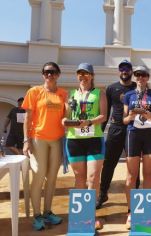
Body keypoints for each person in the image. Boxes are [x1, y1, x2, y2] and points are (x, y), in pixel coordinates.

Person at [22, 62, 67, 231]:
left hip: (56, 140)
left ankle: (48, 211)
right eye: (47, 72)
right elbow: (27, 118)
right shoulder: (34, 92)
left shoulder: (63, 94)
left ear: (58, 74)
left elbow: (67, 115)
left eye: (53, 72)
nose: (50, 75)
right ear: (43, 75)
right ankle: (37, 214)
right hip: (38, 138)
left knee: (52, 178)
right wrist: (26, 140)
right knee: (39, 175)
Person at [63, 63, 107, 230]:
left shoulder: (99, 93)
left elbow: (103, 116)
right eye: (79, 73)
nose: (82, 76)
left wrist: (89, 121)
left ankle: (91, 216)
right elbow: (66, 116)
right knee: (79, 178)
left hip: (94, 138)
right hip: (74, 140)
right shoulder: (71, 94)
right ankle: (81, 218)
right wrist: (65, 121)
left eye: (86, 73)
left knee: (93, 178)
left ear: (92, 76)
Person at [96, 60, 139, 209]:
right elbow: (106, 112)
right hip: (116, 129)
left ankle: (136, 194)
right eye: (122, 68)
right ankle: (102, 193)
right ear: (119, 71)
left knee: (134, 164)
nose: (124, 71)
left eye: (127, 68)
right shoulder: (111, 88)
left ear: (132, 71)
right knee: (109, 163)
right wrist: (99, 132)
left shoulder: (136, 87)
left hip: (133, 130)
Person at [123, 65, 151, 229]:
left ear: (148, 77)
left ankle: (146, 210)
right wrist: (131, 115)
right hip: (133, 134)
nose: (140, 78)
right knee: (131, 175)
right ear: (134, 76)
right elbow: (124, 120)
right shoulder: (129, 95)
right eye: (137, 75)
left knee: (148, 174)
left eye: (144, 75)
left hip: (149, 135)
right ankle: (131, 211)